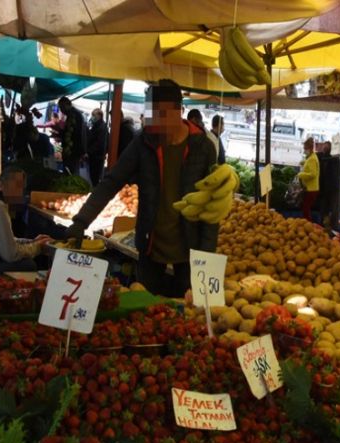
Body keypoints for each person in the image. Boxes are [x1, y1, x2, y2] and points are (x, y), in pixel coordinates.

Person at [65, 80, 220, 297]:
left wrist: (207, 255)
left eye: (161, 114)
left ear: (178, 110)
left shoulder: (203, 147)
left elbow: (213, 204)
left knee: (190, 319)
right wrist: (81, 221)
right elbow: (112, 182)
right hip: (151, 247)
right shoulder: (144, 142)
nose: (155, 122)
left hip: (190, 251)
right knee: (145, 313)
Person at [57, 96, 87, 175]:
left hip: (73, 151)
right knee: (71, 172)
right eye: (60, 108)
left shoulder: (74, 115)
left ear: (68, 104)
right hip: (74, 150)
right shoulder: (73, 114)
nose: (61, 110)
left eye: (62, 107)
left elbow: (74, 134)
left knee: (71, 173)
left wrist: (61, 133)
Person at [317, 141, 340, 230]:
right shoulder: (321, 157)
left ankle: (332, 228)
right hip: (324, 189)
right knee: (324, 210)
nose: (324, 149)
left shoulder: (334, 160)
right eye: (324, 148)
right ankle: (323, 226)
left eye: (326, 148)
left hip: (332, 189)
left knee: (333, 210)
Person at [298, 138, 320, 222]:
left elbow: (312, 174)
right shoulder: (311, 157)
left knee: (306, 208)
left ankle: (308, 225)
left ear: (310, 148)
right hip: (310, 188)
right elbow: (309, 163)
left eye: (305, 148)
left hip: (312, 189)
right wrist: (304, 162)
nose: (304, 150)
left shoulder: (313, 159)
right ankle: (306, 223)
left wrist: (300, 175)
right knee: (305, 207)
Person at [86, 108, 108, 186]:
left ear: (99, 116)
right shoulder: (96, 125)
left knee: (95, 177)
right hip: (94, 156)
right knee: (93, 177)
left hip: (97, 157)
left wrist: (89, 152)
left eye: (94, 115)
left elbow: (99, 143)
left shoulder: (102, 127)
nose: (92, 117)